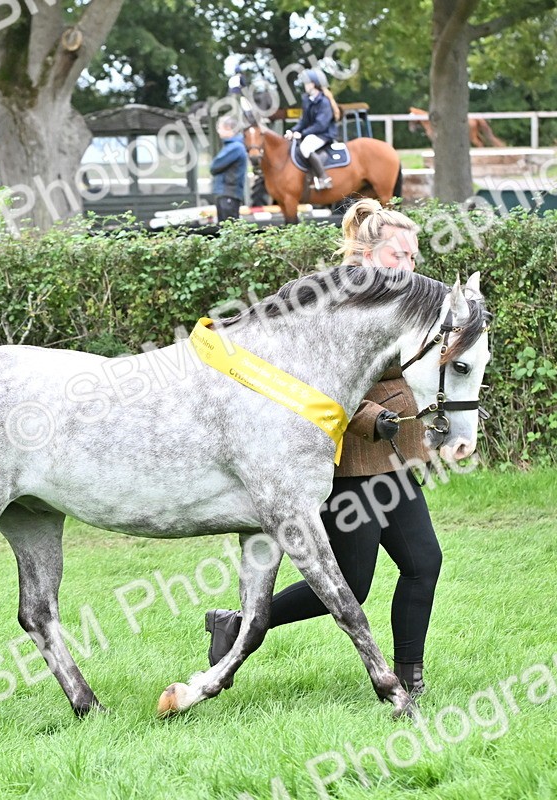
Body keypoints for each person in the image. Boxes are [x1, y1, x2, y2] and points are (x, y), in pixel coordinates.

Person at [205, 198, 441, 699]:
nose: (411, 267)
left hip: (395, 459)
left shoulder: (403, 305)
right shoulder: (336, 302)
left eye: (415, 257)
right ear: (367, 254)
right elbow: (311, 386)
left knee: (424, 563)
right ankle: (240, 623)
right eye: (400, 256)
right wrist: (377, 419)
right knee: (351, 585)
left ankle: (410, 677)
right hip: (349, 462)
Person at [286, 69, 341, 191]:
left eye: (307, 83)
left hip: (324, 135)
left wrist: (301, 134)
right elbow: (303, 121)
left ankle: (324, 178)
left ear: (314, 84)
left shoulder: (324, 102)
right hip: (313, 133)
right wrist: (292, 130)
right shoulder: (307, 100)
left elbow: (320, 125)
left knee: (305, 147)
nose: (305, 86)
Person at [210, 116, 247, 223]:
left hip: (228, 193)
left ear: (228, 128)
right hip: (226, 193)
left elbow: (214, 167)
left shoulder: (235, 147)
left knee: (229, 228)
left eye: (219, 128)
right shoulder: (230, 146)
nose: (218, 131)